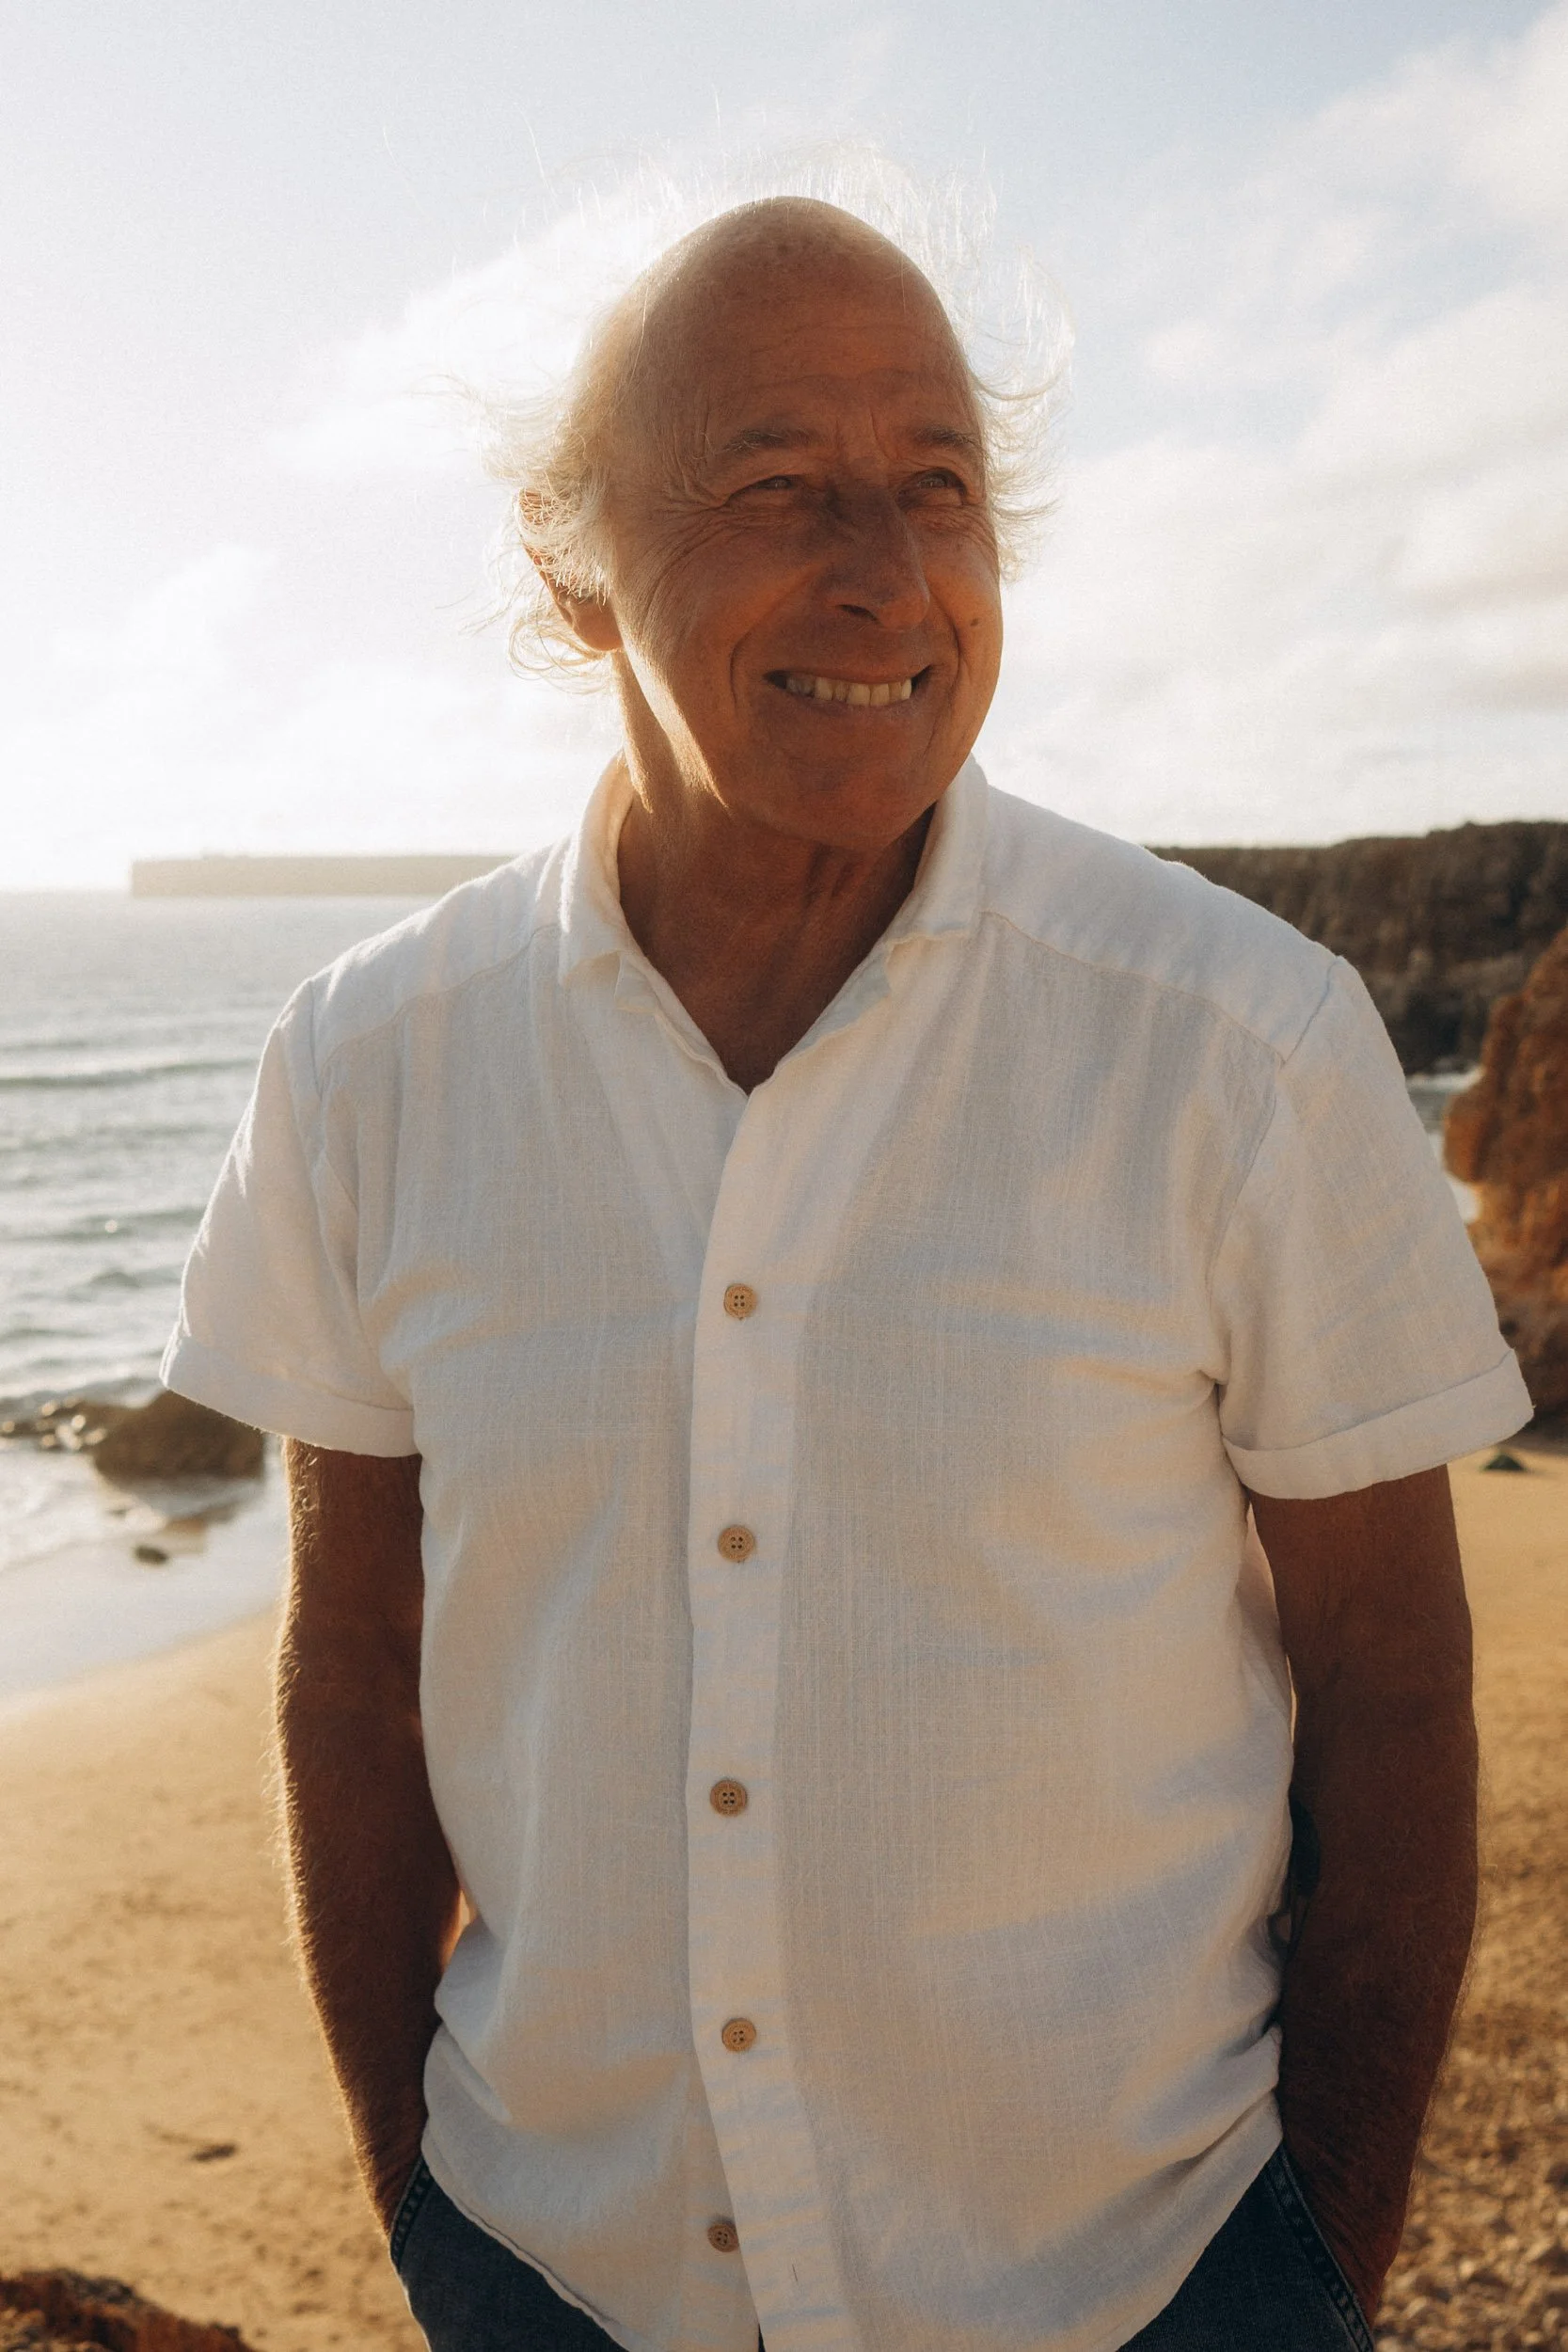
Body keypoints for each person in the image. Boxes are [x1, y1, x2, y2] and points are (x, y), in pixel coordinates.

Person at [164, 197, 1530, 2352]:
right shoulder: (368, 1067)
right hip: (560, 2279)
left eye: (938, 488)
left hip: (1148, 2283)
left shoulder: (1238, 1043)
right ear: (571, 564)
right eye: (778, 487)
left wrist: (1309, 2273)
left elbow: (1389, 1687)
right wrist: (423, 2203)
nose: (886, 578)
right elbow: (351, 1661)